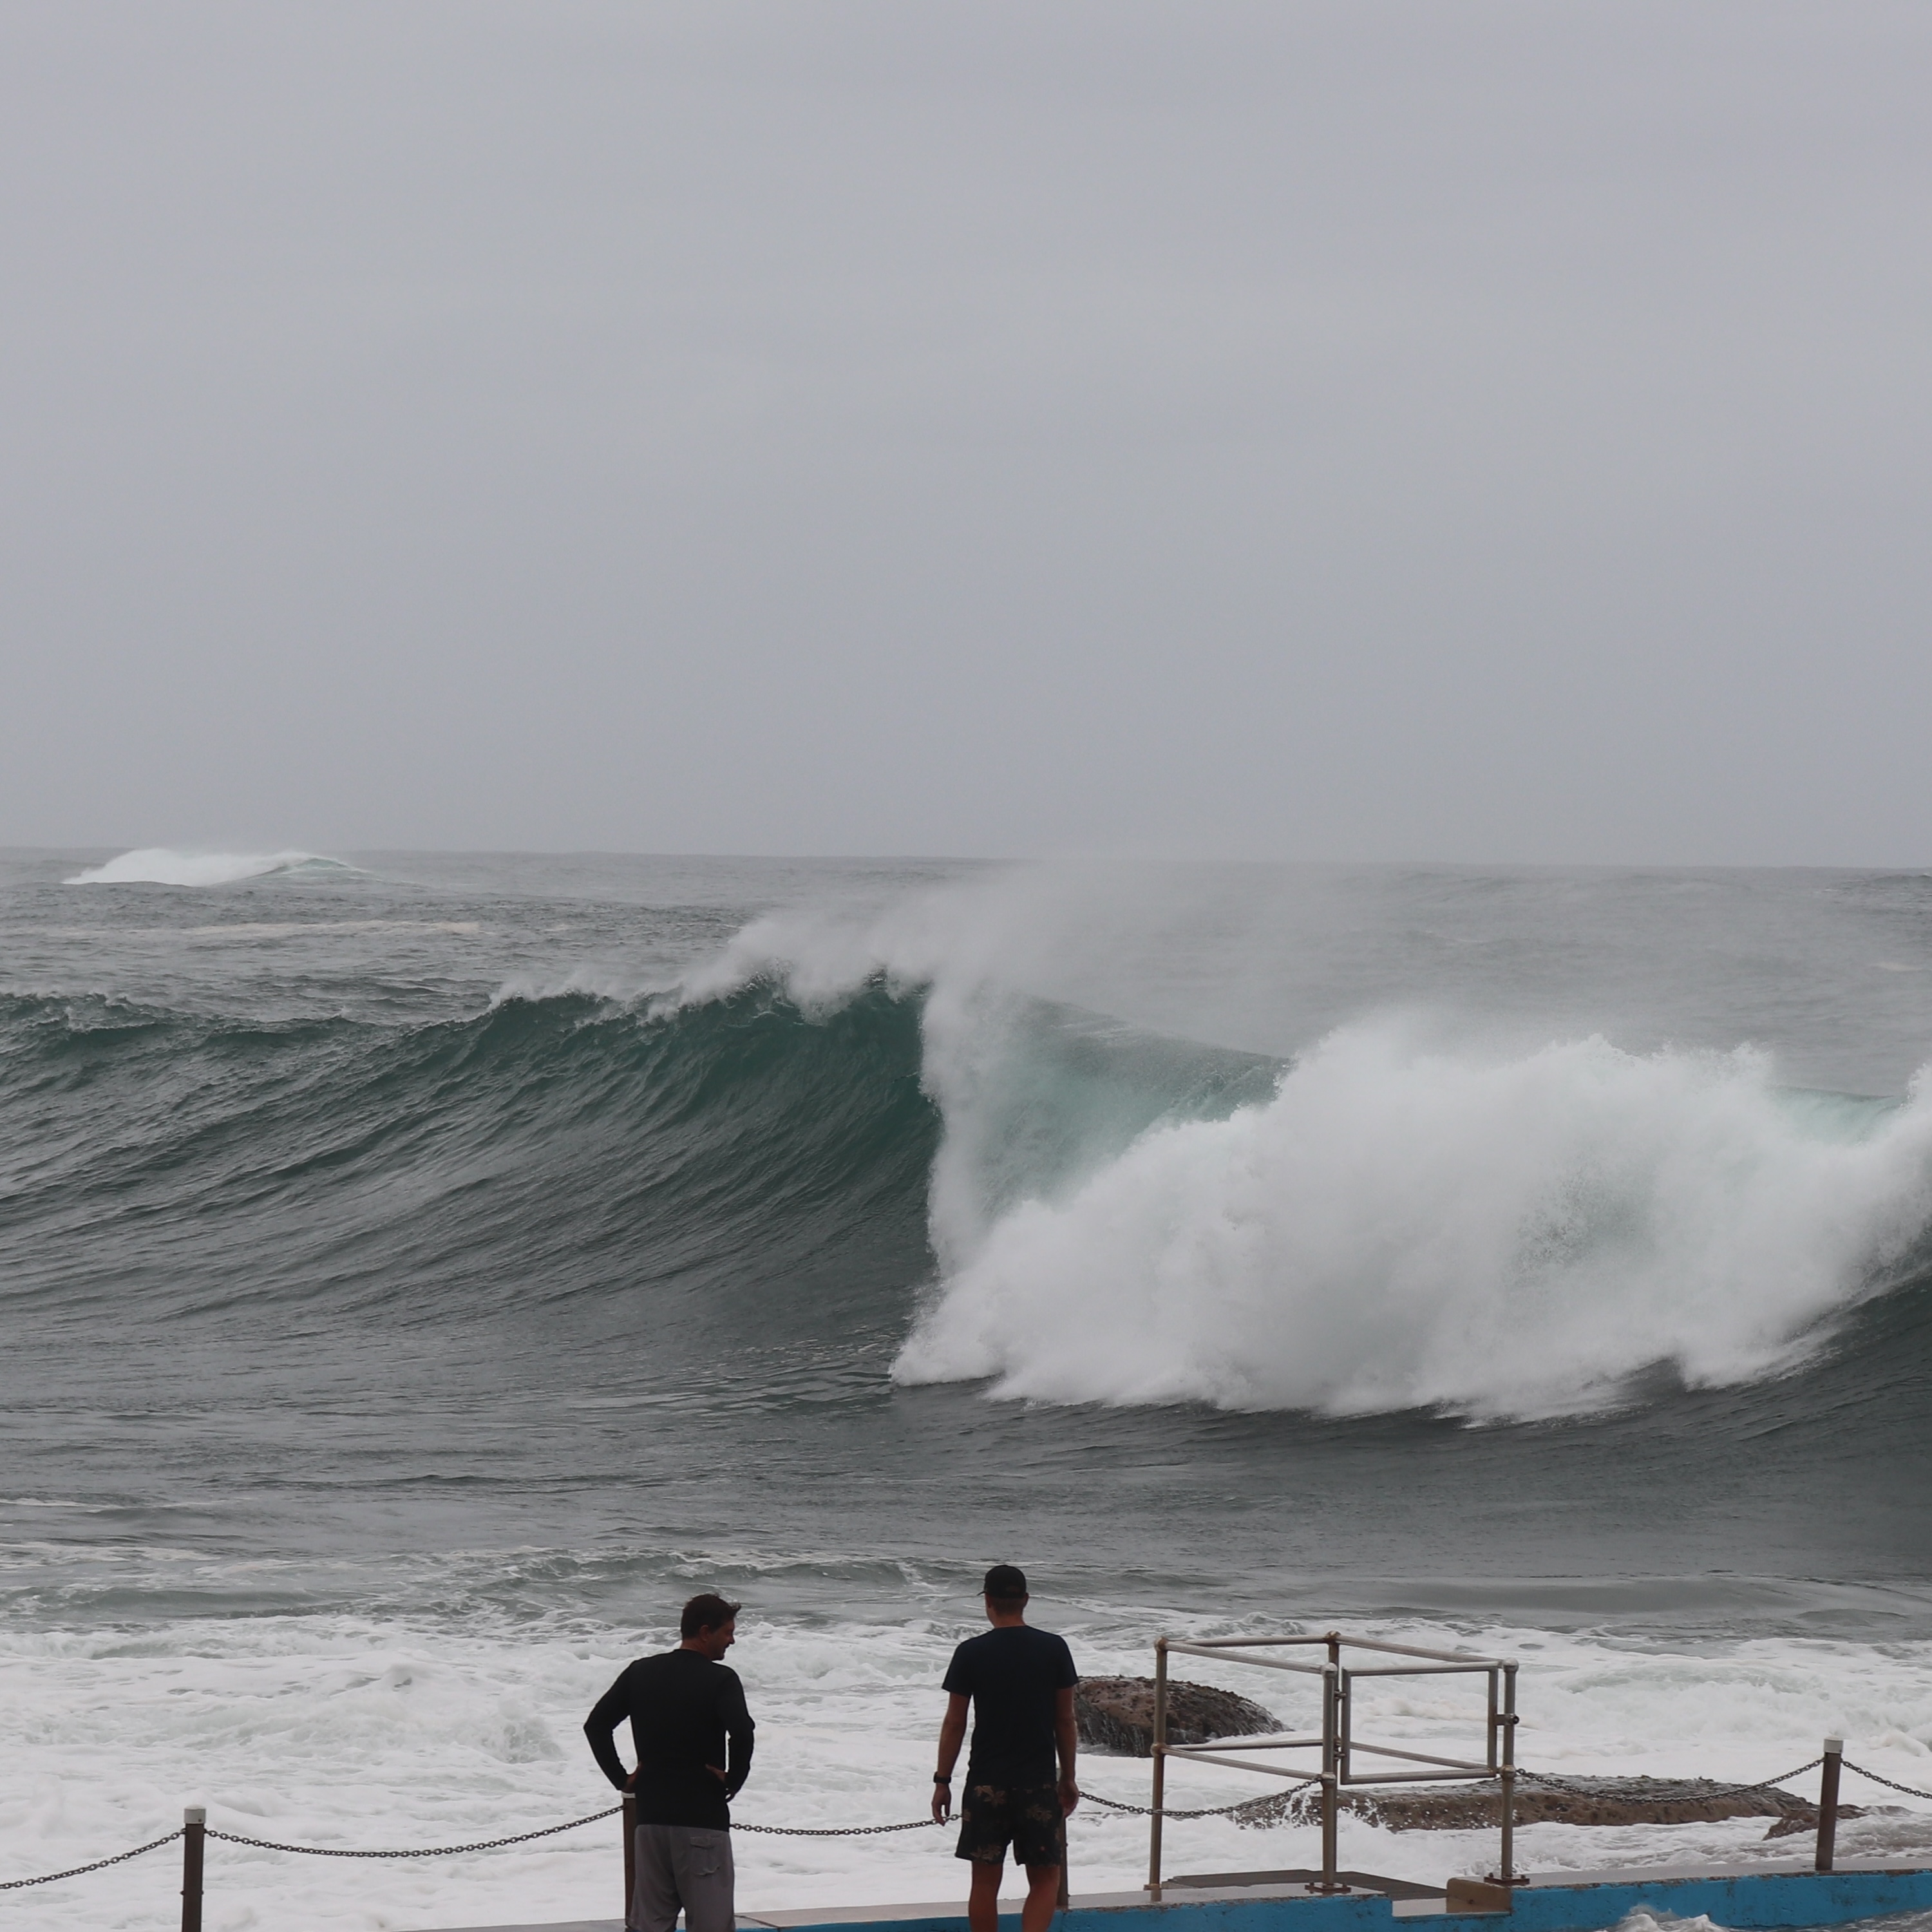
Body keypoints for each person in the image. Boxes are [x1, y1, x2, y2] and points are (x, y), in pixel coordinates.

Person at [585, 1593, 755, 1932]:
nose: (732, 1640)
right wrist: (733, 1779)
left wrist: (623, 1779)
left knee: (650, 1925)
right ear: (705, 1632)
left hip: (650, 1823)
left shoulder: (641, 1672)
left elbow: (596, 1725)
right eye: (727, 1632)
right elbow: (742, 1732)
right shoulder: (721, 1679)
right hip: (702, 1822)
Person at [931, 1565, 1079, 1932]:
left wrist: (942, 1780)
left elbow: (955, 1722)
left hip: (987, 1783)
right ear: (1025, 1601)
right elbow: (1065, 1720)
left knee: (984, 1884)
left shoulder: (971, 1652)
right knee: (1045, 1880)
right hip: (1038, 1783)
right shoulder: (1054, 1648)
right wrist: (1069, 1778)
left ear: (988, 1603)